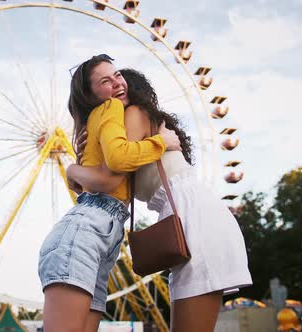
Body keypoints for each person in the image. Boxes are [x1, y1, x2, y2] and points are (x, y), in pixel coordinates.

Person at [67, 68, 253, 332]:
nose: (112, 98)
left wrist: (73, 168)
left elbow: (109, 176)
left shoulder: (133, 114)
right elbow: (103, 184)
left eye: (118, 82)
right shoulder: (144, 131)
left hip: (194, 218)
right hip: (197, 216)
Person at [37, 54, 182, 332]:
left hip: (99, 238)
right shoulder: (112, 107)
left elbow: (95, 177)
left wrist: (73, 170)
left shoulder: (102, 119)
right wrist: (161, 142)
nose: (117, 83)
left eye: (117, 75)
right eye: (105, 81)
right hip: (85, 232)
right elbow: (115, 164)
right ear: (92, 95)